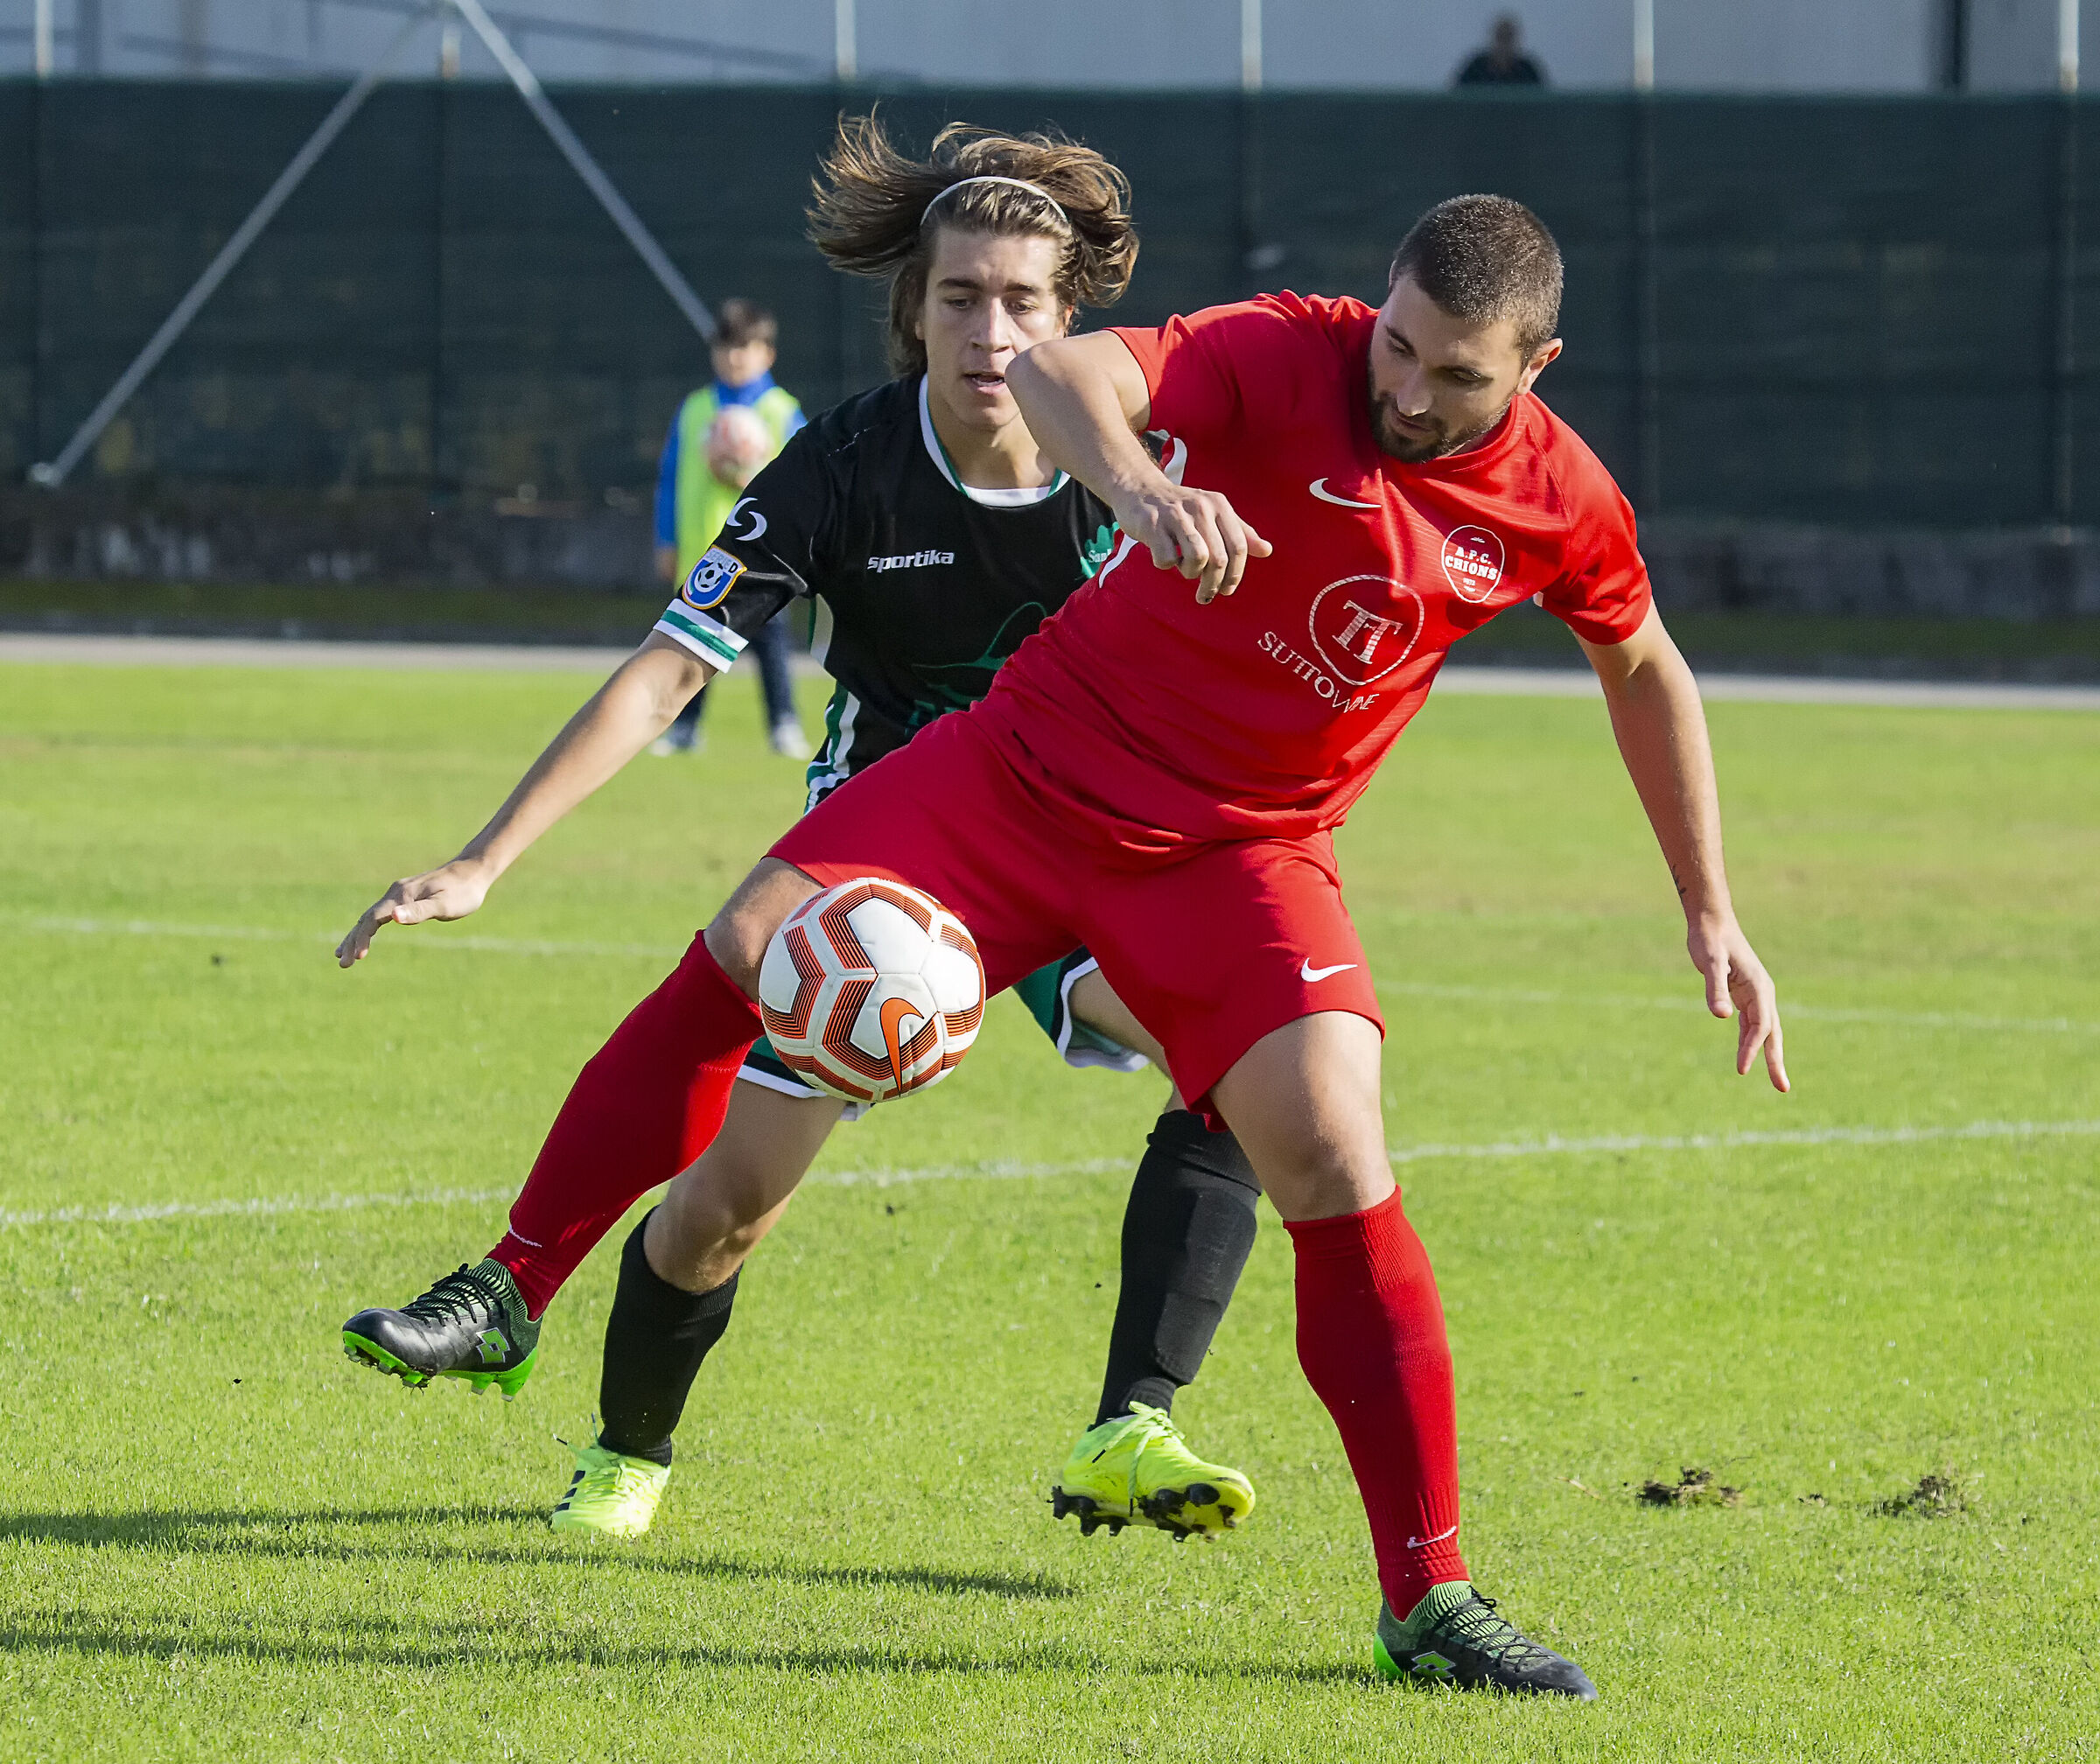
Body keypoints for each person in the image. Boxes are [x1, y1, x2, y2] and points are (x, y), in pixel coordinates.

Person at [343, 186, 1789, 1698]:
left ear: (1536, 366)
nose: (1406, 391)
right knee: (756, 930)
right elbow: (1071, 372)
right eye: (1400, 346)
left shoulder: (1565, 500)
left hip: (1241, 852)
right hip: (1024, 769)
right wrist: (1145, 490)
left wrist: (1711, 908)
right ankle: (512, 1283)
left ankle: (1427, 1597)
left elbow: (1644, 666)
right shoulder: (1288, 349)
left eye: (1455, 376)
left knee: (1336, 1147)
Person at [335, 120, 1263, 1548]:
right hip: (903, 830)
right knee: (726, 1197)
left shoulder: (1144, 467)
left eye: (1025, 301)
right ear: (915, 308)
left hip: (1091, 834)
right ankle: (584, 1391)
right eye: (961, 296)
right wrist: (484, 857)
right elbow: (669, 667)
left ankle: (1133, 1418)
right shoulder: (842, 464)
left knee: (1247, 1061)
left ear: (1075, 322)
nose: (992, 330)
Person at [650, 298, 811, 760]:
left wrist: (749, 476)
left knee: (771, 647)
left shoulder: (782, 411)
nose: (734, 357)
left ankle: (784, 724)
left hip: (765, 556)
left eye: (746, 347)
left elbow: (803, 485)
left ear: (768, 354)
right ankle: (684, 728)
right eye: (726, 347)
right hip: (704, 554)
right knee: (691, 643)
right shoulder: (696, 408)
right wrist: (666, 540)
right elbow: (670, 477)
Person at [1455, 13, 1546, 86]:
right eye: (1500, 37)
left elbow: (1543, 103)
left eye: (1508, 37)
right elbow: (1457, 99)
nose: (1504, 43)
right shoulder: (1475, 69)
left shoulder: (1528, 71)